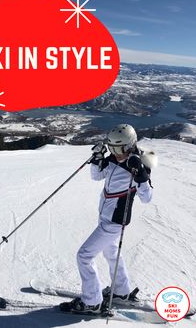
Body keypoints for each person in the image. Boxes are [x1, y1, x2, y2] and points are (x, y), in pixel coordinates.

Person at [60, 124, 157, 314]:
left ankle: (92, 302)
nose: (115, 153)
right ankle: (121, 291)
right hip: (104, 214)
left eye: (118, 149)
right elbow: (97, 176)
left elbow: (147, 198)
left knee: (84, 256)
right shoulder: (114, 158)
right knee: (111, 253)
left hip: (114, 221)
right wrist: (97, 158)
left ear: (129, 145)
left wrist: (141, 175)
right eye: (111, 148)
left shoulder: (139, 163)